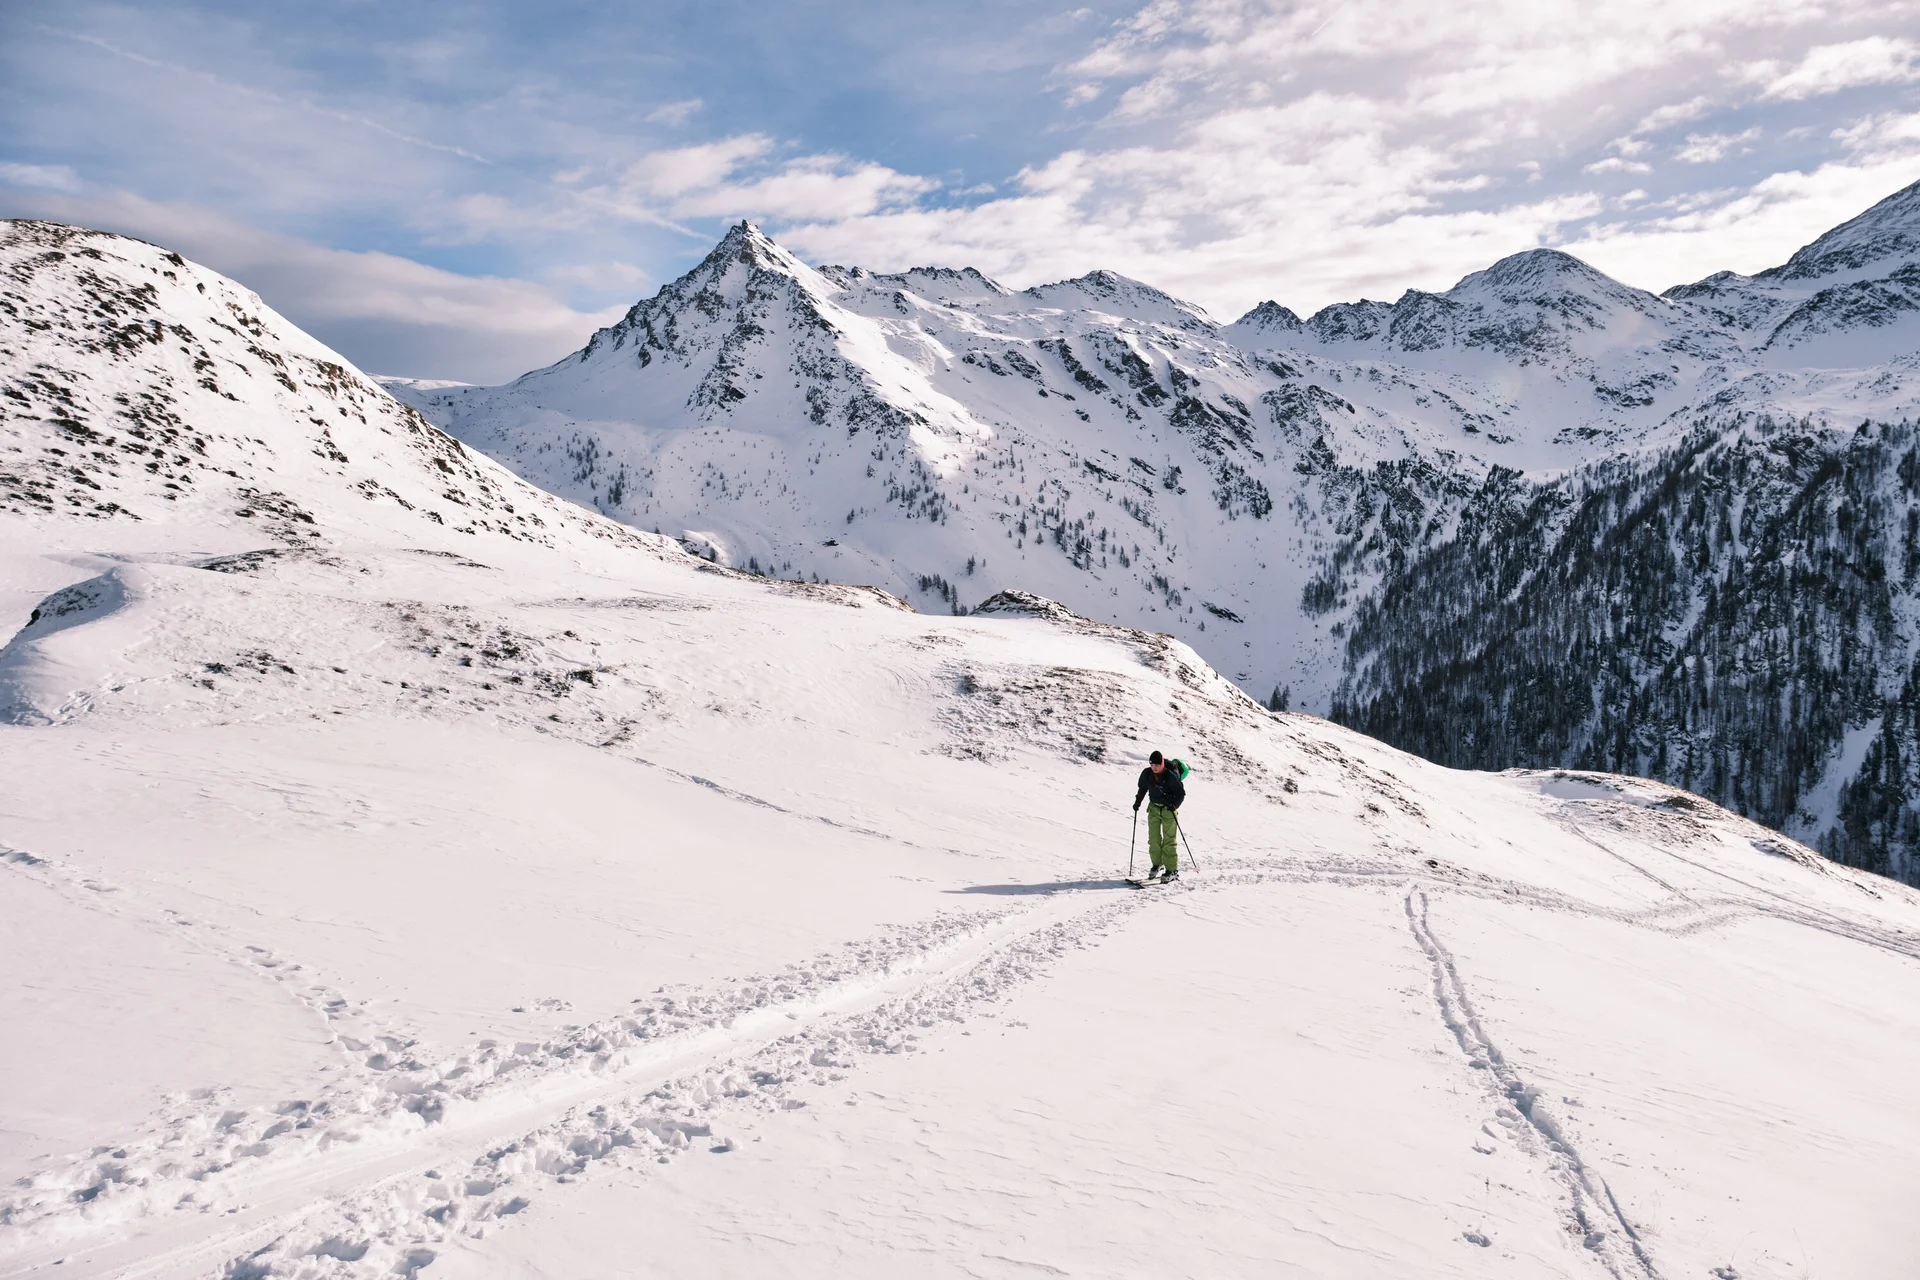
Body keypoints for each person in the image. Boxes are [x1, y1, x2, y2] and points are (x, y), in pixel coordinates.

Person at [1132, 750, 1185, 882]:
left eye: (1157, 764)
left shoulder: (1169, 775)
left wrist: (1174, 805)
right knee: (1153, 839)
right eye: (1152, 764)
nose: (1154, 767)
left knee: (1169, 841)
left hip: (1168, 810)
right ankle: (1157, 864)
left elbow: (1180, 793)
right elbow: (1142, 789)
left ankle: (1171, 870)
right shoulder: (1147, 774)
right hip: (1154, 809)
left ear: (1162, 763)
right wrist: (1137, 802)